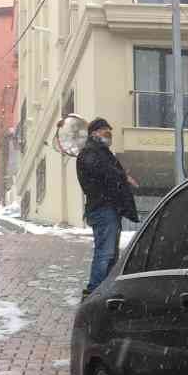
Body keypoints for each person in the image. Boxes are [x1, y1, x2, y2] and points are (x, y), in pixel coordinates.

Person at [76, 117, 139, 294]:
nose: (109, 135)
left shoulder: (101, 153)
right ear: (94, 133)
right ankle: (94, 291)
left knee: (110, 254)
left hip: (108, 209)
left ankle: (104, 291)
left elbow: (108, 173)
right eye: (105, 132)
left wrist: (122, 177)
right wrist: (121, 176)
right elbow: (103, 174)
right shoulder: (90, 153)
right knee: (106, 253)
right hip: (103, 209)